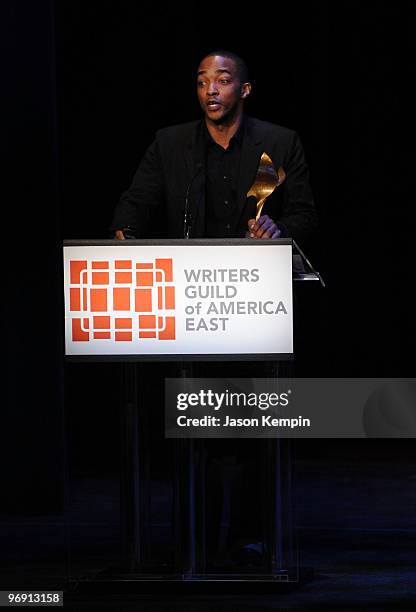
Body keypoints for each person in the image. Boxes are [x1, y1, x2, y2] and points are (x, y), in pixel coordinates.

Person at [111, 50, 317, 243]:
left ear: (244, 90)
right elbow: (137, 202)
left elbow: (304, 216)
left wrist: (277, 230)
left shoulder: (281, 142)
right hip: (191, 273)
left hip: (256, 271)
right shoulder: (169, 143)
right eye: (202, 82)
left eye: (223, 81)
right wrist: (125, 230)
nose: (210, 90)